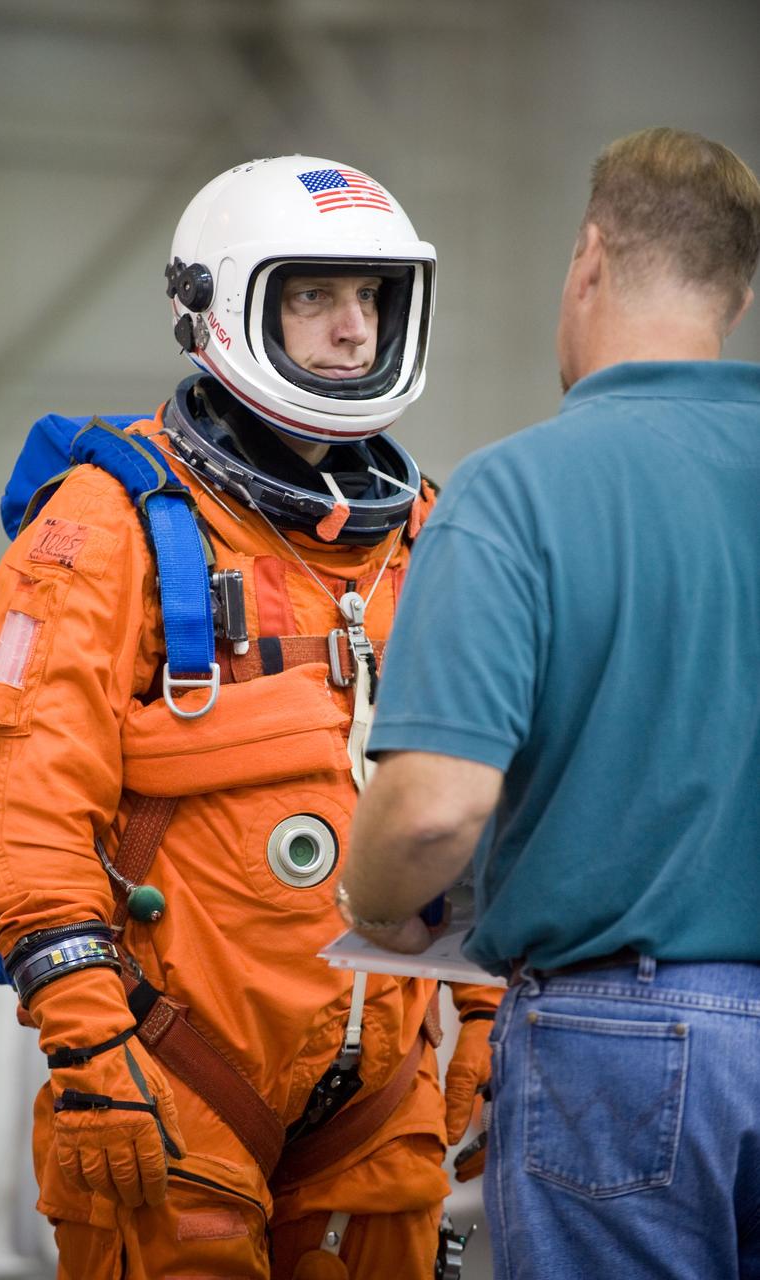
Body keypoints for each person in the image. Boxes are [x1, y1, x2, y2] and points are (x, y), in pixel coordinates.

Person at [0, 155, 501, 1280]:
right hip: (172, 1075)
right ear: (219, 304)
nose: (353, 330)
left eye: (372, 299)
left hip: (382, 1102)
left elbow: (487, 804)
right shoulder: (107, 527)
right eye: (314, 296)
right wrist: (92, 1039)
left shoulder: (428, 538)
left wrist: (481, 1028)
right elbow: (22, 798)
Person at [335, 127, 760, 1279]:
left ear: (586, 260)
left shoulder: (516, 491)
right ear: (736, 285)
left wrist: (372, 896)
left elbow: (430, 810)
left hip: (622, 1050)